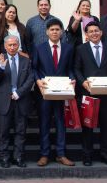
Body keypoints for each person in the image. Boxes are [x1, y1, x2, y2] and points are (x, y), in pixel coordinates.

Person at [73, 21, 107, 166]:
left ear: (101, 32)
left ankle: (105, 153)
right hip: (88, 93)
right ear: (86, 35)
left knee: (106, 125)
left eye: (96, 31)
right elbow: (77, 69)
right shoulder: (81, 49)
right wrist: (83, 82)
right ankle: (87, 155)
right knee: (88, 125)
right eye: (91, 31)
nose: (94, 33)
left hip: (106, 93)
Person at [31, 18, 76, 167]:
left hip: (62, 91)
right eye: (52, 30)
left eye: (57, 29)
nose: (55, 32)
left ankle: (61, 154)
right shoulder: (39, 48)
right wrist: (38, 81)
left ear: (61, 32)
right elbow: (35, 68)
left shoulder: (68, 48)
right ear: (47, 32)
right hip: (44, 92)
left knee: (60, 122)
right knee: (44, 122)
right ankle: (44, 154)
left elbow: (70, 68)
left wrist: (73, 79)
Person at [0, 35, 35, 168]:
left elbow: (30, 79)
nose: (12, 47)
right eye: (9, 45)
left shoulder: (26, 61)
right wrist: (1, 67)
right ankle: (4, 157)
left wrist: (19, 93)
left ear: (18, 45)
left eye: (15, 44)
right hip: (4, 101)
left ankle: (18, 157)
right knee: (3, 132)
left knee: (20, 131)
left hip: (21, 100)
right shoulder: (0, 59)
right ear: (5, 46)